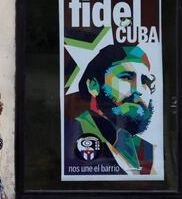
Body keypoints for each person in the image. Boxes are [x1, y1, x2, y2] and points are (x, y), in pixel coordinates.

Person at [65, 45, 157, 176]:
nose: (139, 90)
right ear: (94, 86)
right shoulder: (72, 133)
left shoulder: (148, 150)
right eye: (126, 77)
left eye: (145, 82)